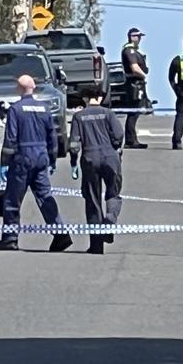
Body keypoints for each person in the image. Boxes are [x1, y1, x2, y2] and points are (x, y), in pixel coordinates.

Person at [0, 74, 70, 252]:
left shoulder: (15, 109)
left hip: (23, 157)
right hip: (41, 156)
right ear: (33, 87)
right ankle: (61, 234)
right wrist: (52, 159)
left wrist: (5, 162)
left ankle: (10, 238)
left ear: (19, 88)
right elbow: (53, 136)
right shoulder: (44, 108)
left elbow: (10, 138)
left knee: (13, 199)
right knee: (45, 197)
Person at [69, 86, 124, 254]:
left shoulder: (78, 116)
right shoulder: (109, 114)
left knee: (92, 200)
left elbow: (74, 143)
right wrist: (115, 148)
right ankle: (110, 219)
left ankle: (96, 245)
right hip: (110, 156)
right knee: (113, 193)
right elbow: (119, 135)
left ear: (85, 99)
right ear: (100, 97)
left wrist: (73, 163)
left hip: (90, 158)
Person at [120, 28, 150, 149]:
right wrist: (144, 75)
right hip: (134, 84)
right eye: (138, 36)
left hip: (137, 83)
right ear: (132, 37)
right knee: (133, 112)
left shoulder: (134, 51)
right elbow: (134, 67)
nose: (140, 39)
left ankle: (132, 139)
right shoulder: (129, 50)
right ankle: (130, 140)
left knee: (135, 112)